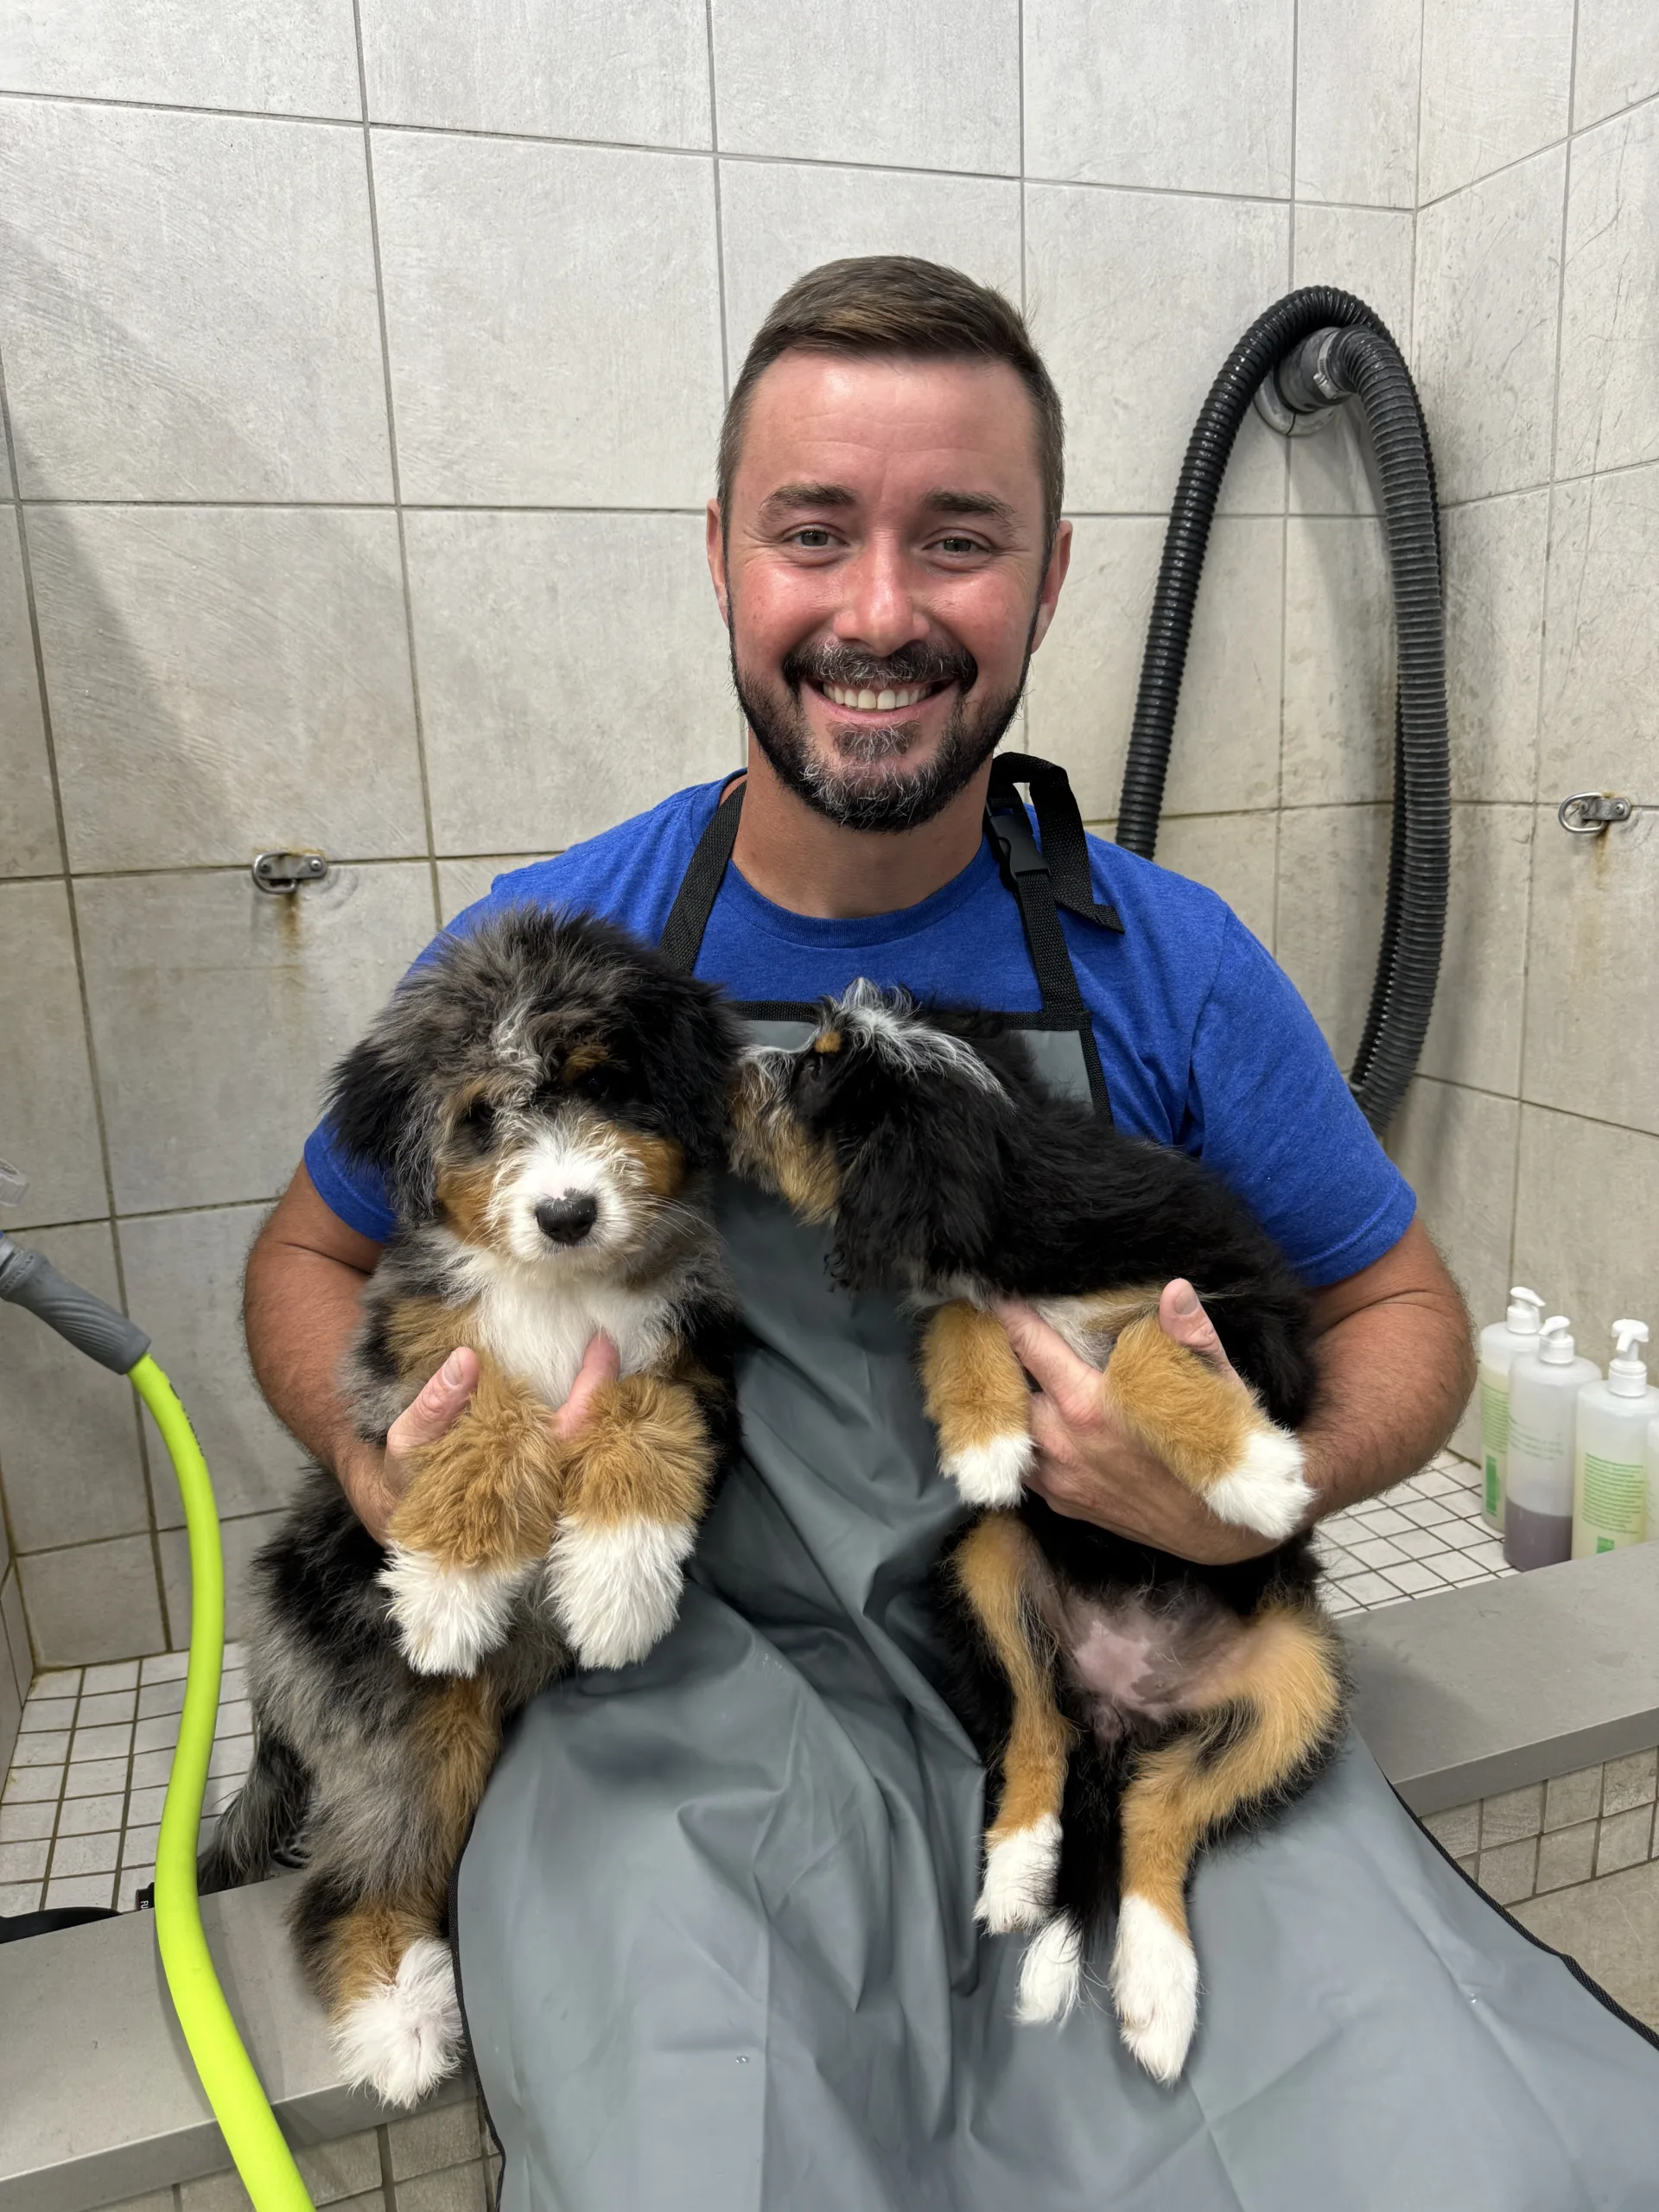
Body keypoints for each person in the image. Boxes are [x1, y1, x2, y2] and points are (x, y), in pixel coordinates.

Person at [245, 260, 1656, 2209]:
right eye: (814, 532)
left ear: (1054, 575)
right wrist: (375, 1463)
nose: (883, 610)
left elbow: (1398, 1300)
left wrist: (1260, 1494)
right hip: (683, 1726)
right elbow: (304, 1256)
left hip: (1105, 1685)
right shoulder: (559, 950)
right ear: (724, 556)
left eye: (960, 540)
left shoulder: (1170, 964)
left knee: (1454, 2150)